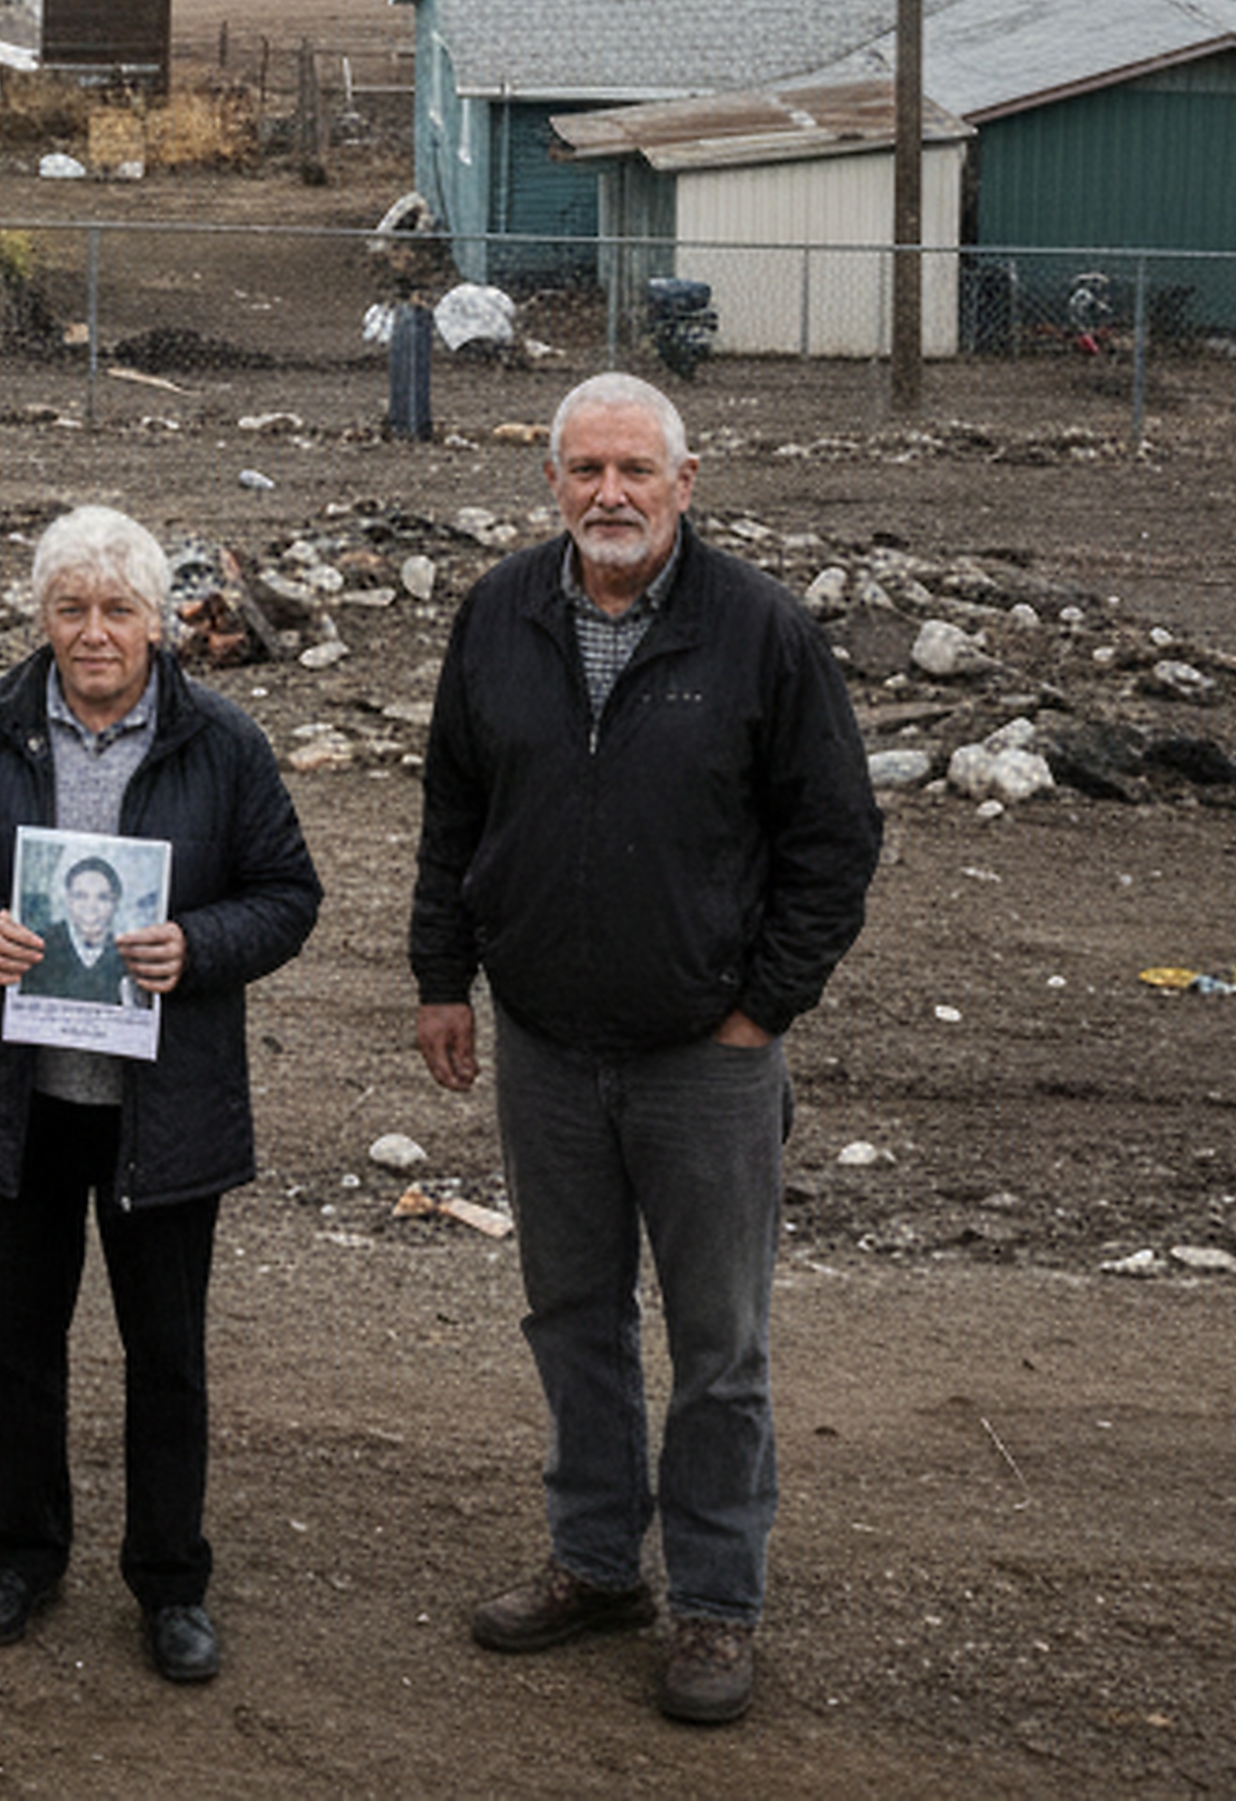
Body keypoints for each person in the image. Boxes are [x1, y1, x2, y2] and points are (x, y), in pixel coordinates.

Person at [411, 371, 881, 1732]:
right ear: (550, 481)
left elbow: (834, 840)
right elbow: (453, 805)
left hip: (706, 1060)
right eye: (583, 470)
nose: (607, 495)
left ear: (687, 482)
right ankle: (598, 1562)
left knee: (718, 1343)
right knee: (572, 1318)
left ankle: (716, 1605)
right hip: (546, 1044)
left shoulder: (761, 633)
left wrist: (762, 1009)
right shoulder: (499, 613)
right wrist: (445, 976)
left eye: (634, 470)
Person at [0, 502, 322, 1684]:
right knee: (22, 1343)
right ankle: (24, 1558)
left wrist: (199, 945)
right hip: (20, 1096)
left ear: (162, 621)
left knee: (167, 1354)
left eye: (119, 610)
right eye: (72, 609)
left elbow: (289, 895)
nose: (95, 633)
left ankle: (169, 1581)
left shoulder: (220, 743)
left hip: (165, 1106)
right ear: (40, 617)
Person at [35, 854, 137, 1011]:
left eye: (103, 898)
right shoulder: (38, 947)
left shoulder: (129, 955)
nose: (91, 907)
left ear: (116, 904)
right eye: (80, 896)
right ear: (68, 901)